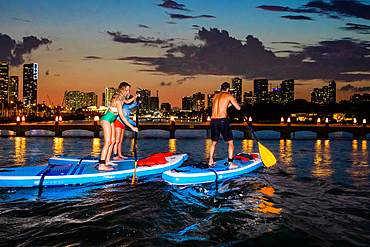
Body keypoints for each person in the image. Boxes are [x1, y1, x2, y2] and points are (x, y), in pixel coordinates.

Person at [99, 82, 139, 171]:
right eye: (127, 90)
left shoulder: (121, 99)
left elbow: (128, 101)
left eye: (129, 90)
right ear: (122, 90)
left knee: (113, 141)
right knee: (108, 142)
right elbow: (122, 116)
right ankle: (101, 164)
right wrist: (132, 127)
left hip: (111, 121)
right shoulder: (117, 100)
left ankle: (108, 161)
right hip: (106, 120)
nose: (128, 92)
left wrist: (136, 97)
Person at [209, 82, 241, 169]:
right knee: (230, 142)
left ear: (221, 88)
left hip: (213, 120)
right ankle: (231, 163)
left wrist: (229, 105)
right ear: (228, 89)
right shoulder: (229, 95)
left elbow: (220, 106)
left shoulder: (215, 96)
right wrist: (236, 103)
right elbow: (238, 108)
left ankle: (210, 160)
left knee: (214, 142)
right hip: (222, 120)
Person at [112, 95, 138, 160]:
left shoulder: (128, 110)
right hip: (118, 122)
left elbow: (127, 119)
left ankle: (120, 154)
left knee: (120, 141)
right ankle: (115, 155)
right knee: (117, 140)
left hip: (123, 124)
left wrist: (134, 123)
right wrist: (137, 102)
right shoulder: (123, 105)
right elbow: (131, 106)